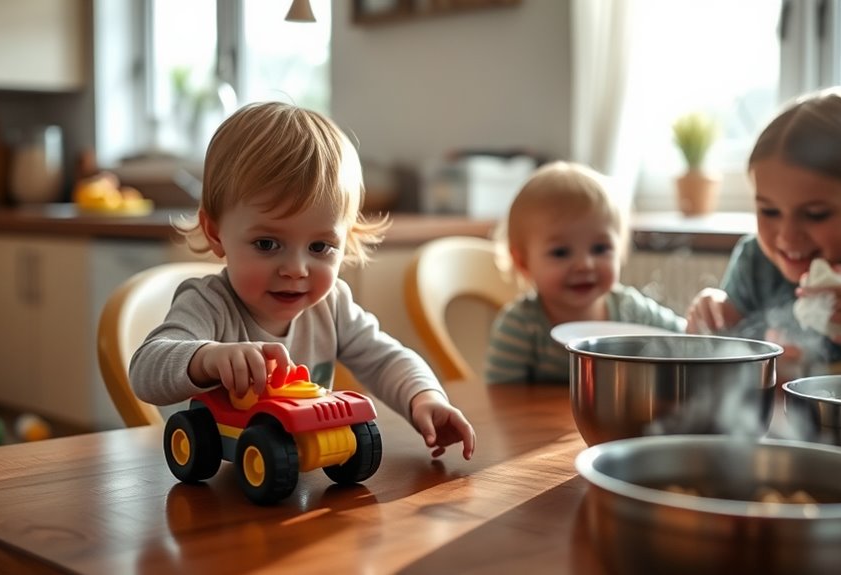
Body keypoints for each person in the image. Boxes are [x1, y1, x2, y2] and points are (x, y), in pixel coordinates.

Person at [130, 101, 475, 460]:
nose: (296, 269)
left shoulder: (333, 305)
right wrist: (206, 357)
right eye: (267, 244)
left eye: (320, 247)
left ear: (346, 240)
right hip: (223, 469)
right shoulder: (209, 304)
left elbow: (386, 360)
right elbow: (145, 369)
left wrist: (425, 397)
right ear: (216, 233)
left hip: (300, 468)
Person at [686, 90, 841, 376]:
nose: (787, 237)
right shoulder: (755, 263)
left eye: (815, 214)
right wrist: (712, 320)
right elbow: (724, 367)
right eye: (769, 211)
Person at [484, 161, 687, 384]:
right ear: (522, 262)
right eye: (561, 252)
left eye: (600, 249)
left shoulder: (630, 309)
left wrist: (707, 314)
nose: (585, 265)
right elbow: (499, 397)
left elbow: (689, 340)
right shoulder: (521, 326)